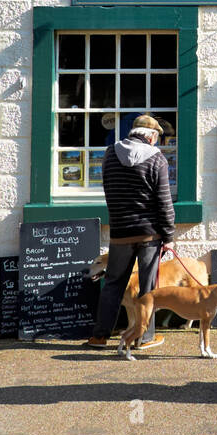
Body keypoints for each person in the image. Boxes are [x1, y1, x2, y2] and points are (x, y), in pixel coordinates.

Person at [86, 113, 174, 350]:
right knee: (148, 288)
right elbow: (164, 201)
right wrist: (169, 236)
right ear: (152, 136)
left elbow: (108, 190)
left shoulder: (110, 154)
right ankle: (144, 337)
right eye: (157, 138)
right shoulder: (157, 159)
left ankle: (100, 336)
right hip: (149, 234)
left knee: (113, 284)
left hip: (120, 232)